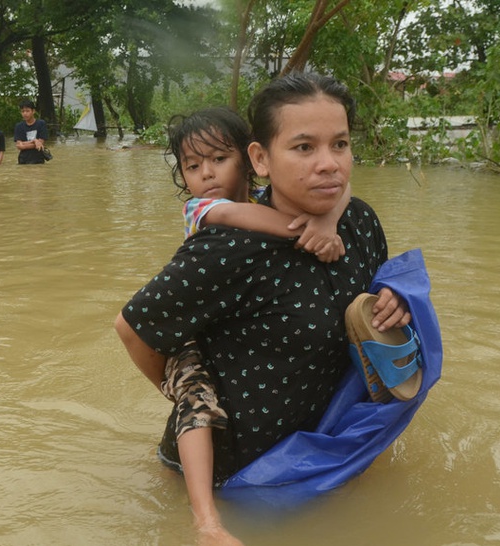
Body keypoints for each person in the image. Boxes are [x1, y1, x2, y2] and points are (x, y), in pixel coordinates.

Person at [115, 72, 411, 545]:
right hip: (239, 485)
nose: (328, 164)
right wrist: (190, 396)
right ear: (261, 158)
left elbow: (372, 298)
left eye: (340, 144)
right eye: (303, 148)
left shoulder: (357, 222)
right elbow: (133, 330)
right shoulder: (226, 248)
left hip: (327, 463)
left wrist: (397, 300)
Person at [156, 106, 351, 544]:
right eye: (192, 166)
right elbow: (256, 221)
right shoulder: (206, 209)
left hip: (223, 327)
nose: (205, 173)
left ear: (250, 159)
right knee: (196, 405)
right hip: (190, 332)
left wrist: (330, 214)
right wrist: (318, 223)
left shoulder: (266, 193)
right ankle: (206, 521)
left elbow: (345, 183)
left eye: (218, 159)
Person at [13, 100, 49, 164]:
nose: (25, 113)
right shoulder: (18, 126)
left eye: (27, 111)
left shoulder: (41, 124)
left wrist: (24, 144)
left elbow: (41, 143)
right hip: (23, 160)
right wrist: (34, 141)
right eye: (23, 111)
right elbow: (19, 146)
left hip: (38, 160)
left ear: (33, 111)